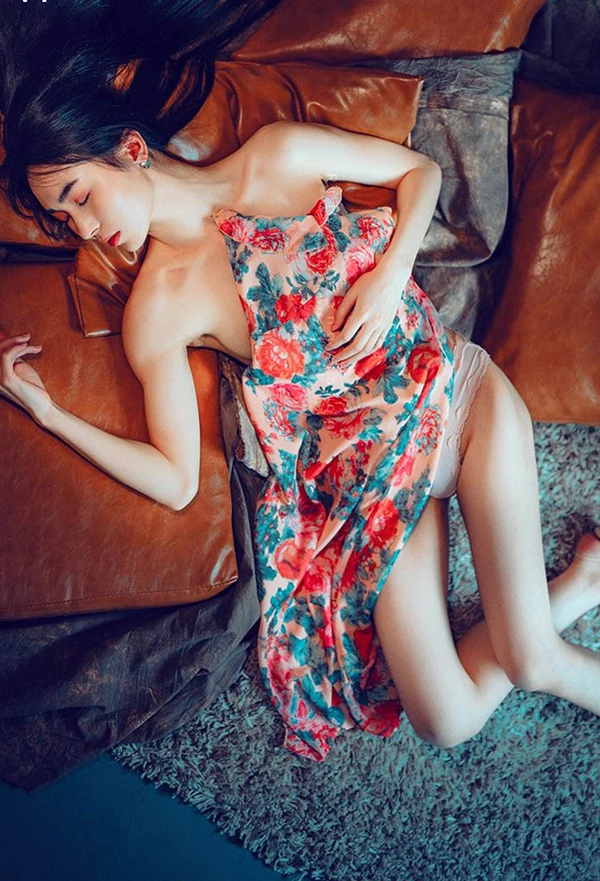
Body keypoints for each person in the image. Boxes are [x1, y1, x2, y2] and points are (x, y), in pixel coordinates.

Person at [1, 41, 599, 762]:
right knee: (445, 720)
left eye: (80, 197)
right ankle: (580, 585)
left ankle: (558, 604)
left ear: (129, 149)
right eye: (64, 220)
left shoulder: (274, 158)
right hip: (375, 483)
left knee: (530, 659)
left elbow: (421, 172)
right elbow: (176, 478)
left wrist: (390, 274)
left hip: (455, 399)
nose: (85, 230)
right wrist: (47, 412)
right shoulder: (156, 310)